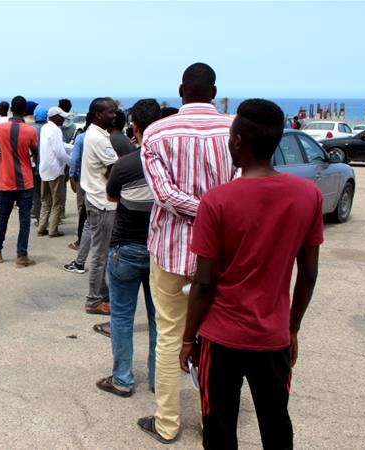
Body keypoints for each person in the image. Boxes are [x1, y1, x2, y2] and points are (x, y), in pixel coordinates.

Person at [178, 99, 322, 449]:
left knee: (220, 428)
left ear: (238, 142)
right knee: (276, 424)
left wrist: (186, 339)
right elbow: (308, 274)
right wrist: (293, 328)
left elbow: (204, 282)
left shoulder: (217, 200)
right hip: (273, 337)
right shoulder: (308, 195)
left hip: (221, 338)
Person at [137, 63, 238, 445]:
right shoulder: (234, 131)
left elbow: (163, 195)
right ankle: (211, 419)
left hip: (170, 251)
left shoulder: (157, 133)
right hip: (223, 253)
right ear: (214, 91)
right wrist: (217, 210)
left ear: (181, 90)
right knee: (216, 339)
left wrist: (202, 207)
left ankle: (167, 422)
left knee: (169, 335)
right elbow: (242, 189)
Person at [94, 99, 161, 399]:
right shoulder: (168, 163)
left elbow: (113, 198)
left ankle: (122, 379)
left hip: (125, 247)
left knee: (122, 316)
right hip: (159, 249)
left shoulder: (125, 165)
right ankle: (160, 378)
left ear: (133, 126)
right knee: (159, 318)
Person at [0, 96, 38, 268]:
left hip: (5, 180)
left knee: (3, 216)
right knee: (24, 219)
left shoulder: (0, 128)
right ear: (25, 111)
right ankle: (22, 256)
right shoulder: (30, 131)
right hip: (25, 181)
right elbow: (35, 153)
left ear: (12, 109)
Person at [80, 97, 118, 316]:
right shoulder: (99, 139)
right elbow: (115, 170)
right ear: (98, 115)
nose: (114, 115)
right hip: (103, 203)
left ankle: (101, 295)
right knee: (100, 253)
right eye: (110, 112)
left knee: (101, 251)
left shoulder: (95, 135)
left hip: (97, 199)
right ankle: (94, 300)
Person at [64, 113, 93, 274]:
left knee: (83, 211)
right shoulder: (105, 137)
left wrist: (72, 175)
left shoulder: (82, 138)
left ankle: (80, 242)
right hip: (99, 184)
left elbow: (75, 160)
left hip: (84, 179)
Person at [37, 106, 72, 237]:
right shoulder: (56, 130)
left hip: (44, 170)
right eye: (61, 117)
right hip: (55, 171)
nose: (63, 120)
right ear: (54, 117)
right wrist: (71, 162)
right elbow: (60, 152)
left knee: (46, 201)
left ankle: (41, 228)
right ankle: (53, 230)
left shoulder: (45, 128)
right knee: (57, 202)